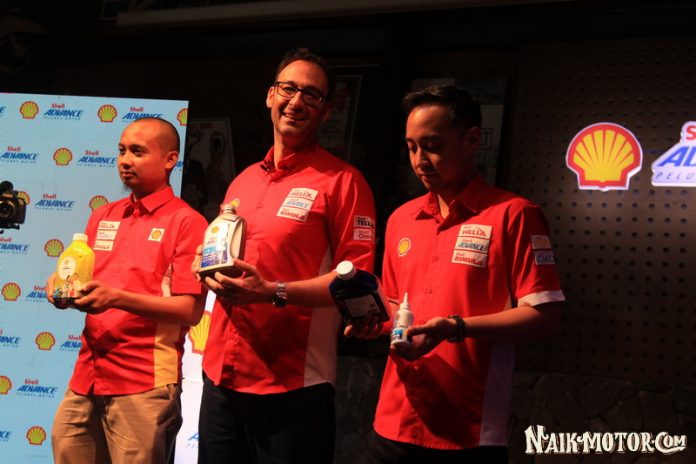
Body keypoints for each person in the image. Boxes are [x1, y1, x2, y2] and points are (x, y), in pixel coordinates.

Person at [193, 48, 377, 464]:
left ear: (326, 111)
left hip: (294, 385)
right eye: (288, 89)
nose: (296, 102)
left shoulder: (344, 182)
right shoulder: (242, 180)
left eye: (311, 95)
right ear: (270, 96)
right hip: (221, 375)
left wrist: (272, 291)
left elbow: (357, 280)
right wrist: (205, 265)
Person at [364, 85, 565, 464]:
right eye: (411, 147)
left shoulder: (514, 214)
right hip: (393, 423)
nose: (420, 160)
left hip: (469, 431)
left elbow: (545, 316)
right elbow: (393, 308)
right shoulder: (401, 219)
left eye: (432, 145)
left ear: (472, 140)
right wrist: (370, 323)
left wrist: (456, 328)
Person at [47, 117, 208, 464]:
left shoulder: (188, 222)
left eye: (137, 151)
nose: (125, 160)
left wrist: (117, 298)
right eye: (121, 151)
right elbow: (83, 278)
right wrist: (62, 287)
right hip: (87, 375)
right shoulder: (103, 215)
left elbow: (190, 310)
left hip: (143, 380)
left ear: (170, 160)